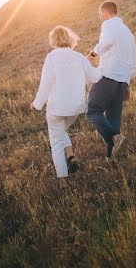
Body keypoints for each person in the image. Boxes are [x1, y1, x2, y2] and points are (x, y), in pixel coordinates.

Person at [31, 26, 101, 182]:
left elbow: (45, 84)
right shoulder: (79, 57)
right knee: (61, 131)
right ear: (70, 39)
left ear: (53, 40)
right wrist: (106, 67)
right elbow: (94, 77)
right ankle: (70, 156)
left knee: (56, 141)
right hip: (76, 107)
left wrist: (37, 104)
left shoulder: (51, 58)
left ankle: (63, 181)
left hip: (57, 107)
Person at [86, 0, 136, 161]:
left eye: (100, 14)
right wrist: (128, 82)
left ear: (106, 13)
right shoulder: (128, 32)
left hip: (109, 74)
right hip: (123, 80)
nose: (100, 18)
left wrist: (92, 54)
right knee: (113, 117)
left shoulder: (109, 25)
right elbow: (132, 61)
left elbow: (105, 43)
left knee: (92, 110)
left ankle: (113, 136)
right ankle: (111, 158)